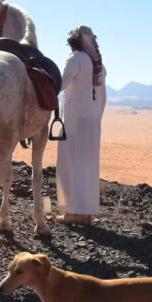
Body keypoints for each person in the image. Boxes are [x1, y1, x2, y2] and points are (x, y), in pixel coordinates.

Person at [55, 25, 107, 225]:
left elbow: (59, 84)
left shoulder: (76, 59)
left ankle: (71, 213)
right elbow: (102, 98)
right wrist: (95, 121)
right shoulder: (99, 66)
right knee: (88, 167)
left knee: (71, 164)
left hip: (74, 122)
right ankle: (87, 214)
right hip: (93, 124)